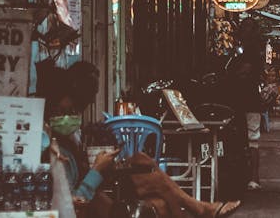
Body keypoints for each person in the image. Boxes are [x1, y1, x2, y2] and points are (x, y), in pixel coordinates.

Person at [37, 62, 240, 218]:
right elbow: (73, 204)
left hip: (101, 198)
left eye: (72, 111)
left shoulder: (68, 139)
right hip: (92, 205)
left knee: (143, 163)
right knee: (159, 202)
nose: (69, 116)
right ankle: (200, 209)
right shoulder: (48, 149)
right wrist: (97, 171)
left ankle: (200, 208)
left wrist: (103, 168)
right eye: (61, 111)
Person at [227, 54, 264, 191]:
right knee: (248, 142)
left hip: (249, 108)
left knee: (252, 141)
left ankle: (254, 177)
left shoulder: (240, 66)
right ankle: (250, 177)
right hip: (242, 107)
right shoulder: (248, 66)